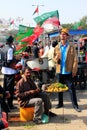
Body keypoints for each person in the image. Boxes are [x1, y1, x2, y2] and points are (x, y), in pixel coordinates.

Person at [53, 28, 81, 112]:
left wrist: (74, 70)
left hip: (68, 71)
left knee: (72, 88)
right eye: (61, 34)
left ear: (67, 36)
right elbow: (54, 59)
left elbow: (75, 60)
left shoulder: (71, 47)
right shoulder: (57, 47)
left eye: (64, 34)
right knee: (59, 88)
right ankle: (60, 103)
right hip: (60, 71)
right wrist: (56, 58)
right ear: (60, 36)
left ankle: (75, 105)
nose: (62, 35)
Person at [1, 35, 17, 110]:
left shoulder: (2, 48)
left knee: (5, 87)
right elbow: (9, 61)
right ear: (12, 41)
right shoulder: (10, 49)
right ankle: (10, 105)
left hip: (4, 70)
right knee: (10, 89)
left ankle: (4, 102)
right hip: (10, 71)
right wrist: (15, 63)